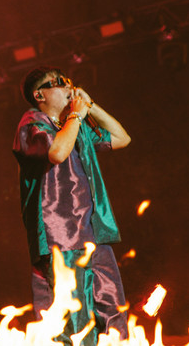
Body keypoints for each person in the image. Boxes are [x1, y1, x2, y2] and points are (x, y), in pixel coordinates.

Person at [12, 66, 131, 344]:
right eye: (59, 83)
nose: (68, 87)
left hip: (94, 235)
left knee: (113, 317)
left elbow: (121, 138)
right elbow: (56, 152)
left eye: (69, 82)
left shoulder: (72, 127)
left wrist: (90, 105)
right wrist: (76, 114)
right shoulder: (32, 124)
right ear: (39, 94)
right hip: (60, 239)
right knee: (74, 325)